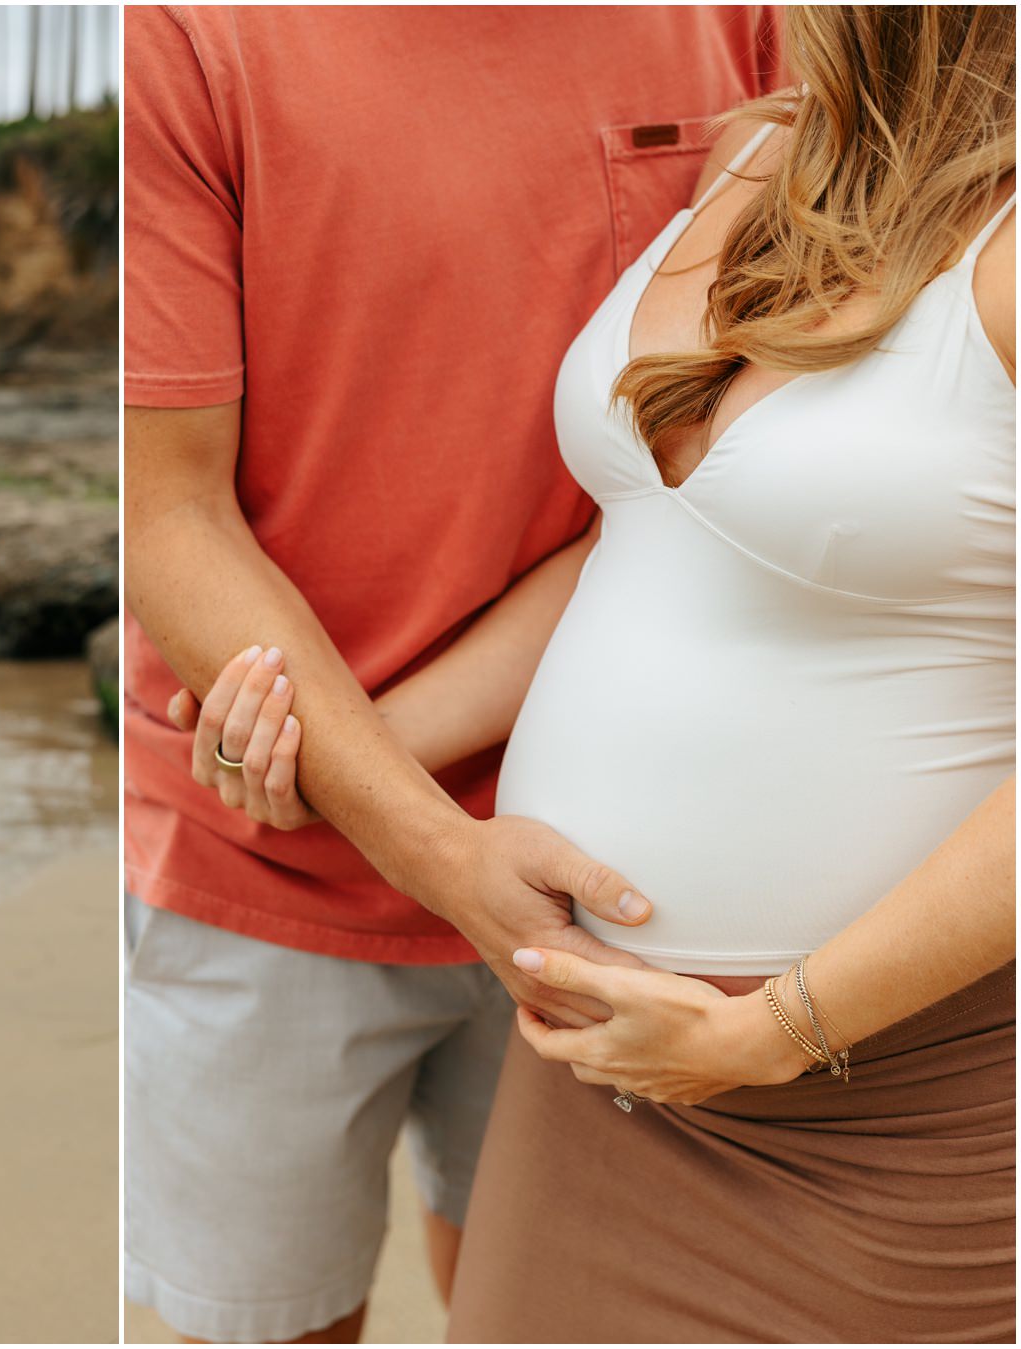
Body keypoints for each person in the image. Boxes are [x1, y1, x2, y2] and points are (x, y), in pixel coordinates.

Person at [175, 5, 1015, 1341]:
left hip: (894, 1093)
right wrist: (349, 749)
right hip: (596, 1079)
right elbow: (661, 543)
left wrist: (778, 1029)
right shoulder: (761, 153)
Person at [123, 5, 783, 1341]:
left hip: (627, 861)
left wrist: (375, 747)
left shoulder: (743, 21)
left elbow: (704, 479)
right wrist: (428, 836)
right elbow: (168, 512)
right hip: (253, 866)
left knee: (549, 1314)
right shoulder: (185, 37)